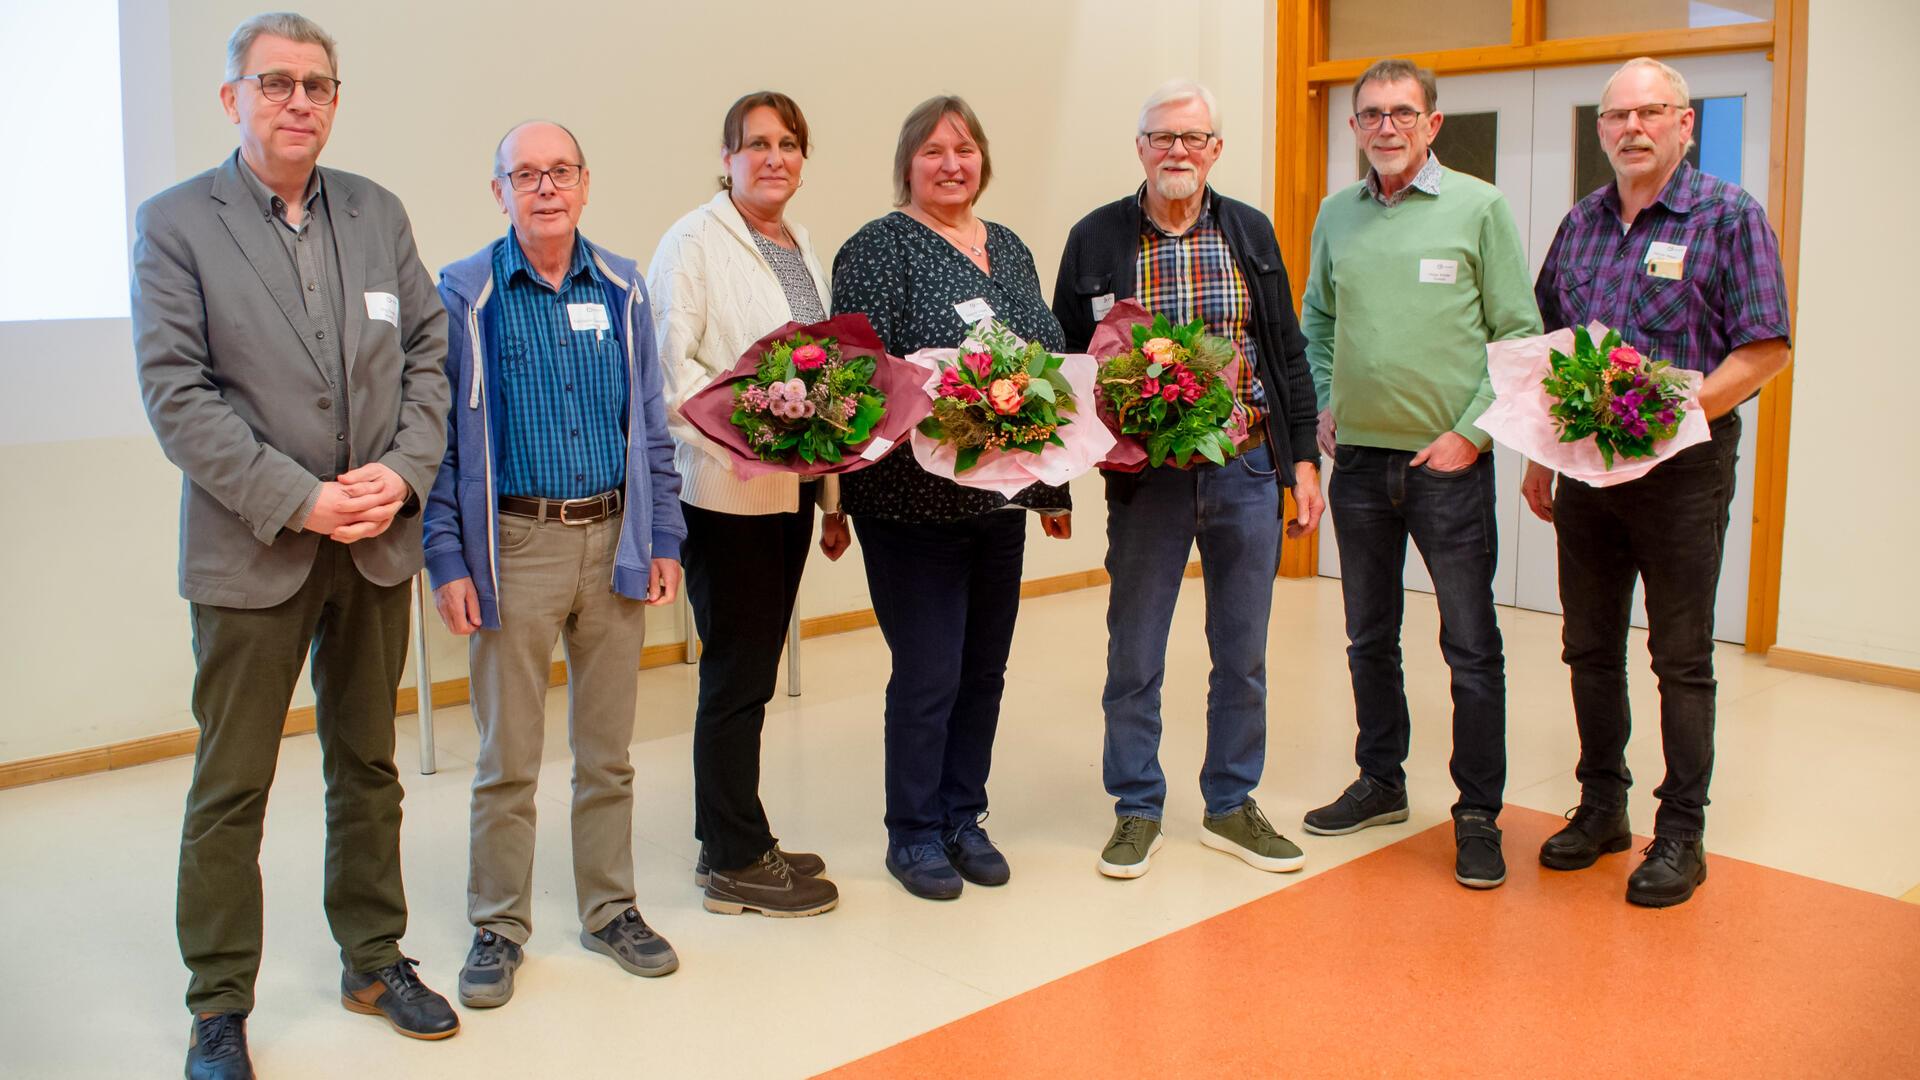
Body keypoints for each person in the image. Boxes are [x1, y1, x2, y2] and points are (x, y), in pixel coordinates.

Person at [132, 13, 455, 1078]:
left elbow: (427, 359)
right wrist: (300, 498)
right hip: (253, 551)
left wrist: (401, 475)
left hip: (372, 545)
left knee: (367, 768)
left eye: (318, 84)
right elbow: (178, 396)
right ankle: (219, 1002)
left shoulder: (377, 212)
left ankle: (374, 959)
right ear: (233, 99)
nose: (300, 100)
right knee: (232, 786)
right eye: (276, 83)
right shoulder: (177, 223)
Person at [423, 120, 687, 1007]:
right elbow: (438, 446)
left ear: (584, 183)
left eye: (560, 171)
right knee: (508, 758)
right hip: (514, 546)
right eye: (524, 174)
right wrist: (449, 559)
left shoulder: (621, 286)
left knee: (608, 754)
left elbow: (650, 424)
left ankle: (612, 909)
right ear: (497, 191)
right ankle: (498, 926)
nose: (544, 187)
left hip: (613, 537)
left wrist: (663, 539)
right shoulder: (464, 292)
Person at [1525, 57, 1791, 908]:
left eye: (1651, 113)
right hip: (1586, 473)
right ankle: (1603, 806)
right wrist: (1539, 454)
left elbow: (1764, 348)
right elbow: (1550, 345)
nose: (1632, 129)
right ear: (1600, 130)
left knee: (1679, 658)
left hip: (1684, 471)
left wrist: (1669, 422)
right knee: (1588, 645)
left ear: (1684, 123)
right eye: (1616, 117)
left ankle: (1680, 832)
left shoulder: (1728, 216)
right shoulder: (1583, 223)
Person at [1053, 80, 1324, 880]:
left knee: (1241, 651)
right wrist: (1058, 481)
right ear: (1140, 147)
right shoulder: (1097, 238)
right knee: (1134, 649)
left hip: (1243, 467)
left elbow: (1287, 352)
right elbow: (1066, 366)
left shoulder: (1249, 232)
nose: (1178, 151)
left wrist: (1301, 461)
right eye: (1162, 137)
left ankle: (1231, 802)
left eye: (1193, 138)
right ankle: (1137, 806)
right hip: (1148, 479)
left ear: (1215, 150)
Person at [1299, 58, 1542, 890]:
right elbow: (1317, 323)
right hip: (1358, 465)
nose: (1387, 127)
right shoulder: (1337, 213)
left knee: (1471, 646)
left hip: (1449, 465)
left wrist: (1471, 436)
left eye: (1404, 112)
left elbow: (1518, 337)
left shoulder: (1479, 207)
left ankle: (1477, 814)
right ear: (1355, 127)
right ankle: (1382, 781)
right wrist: (1326, 400)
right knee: (1369, 637)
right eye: (1371, 114)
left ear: (1433, 123)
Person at [831, 95, 1072, 900]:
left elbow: (1046, 366)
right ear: (908, 162)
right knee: (929, 672)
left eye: (964, 149)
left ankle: (965, 815)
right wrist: (955, 397)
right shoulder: (878, 247)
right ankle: (914, 833)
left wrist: (1049, 486)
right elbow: (864, 375)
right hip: (910, 503)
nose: (951, 163)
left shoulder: (1007, 246)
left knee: (983, 672)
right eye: (934, 150)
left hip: (996, 504)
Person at [649, 91, 844, 919]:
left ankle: (739, 834)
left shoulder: (802, 244)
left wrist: (831, 495)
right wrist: (753, 430)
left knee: (754, 670)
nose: (774, 158)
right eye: (756, 144)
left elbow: (830, 375)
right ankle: (731, 858)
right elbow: (668, 369)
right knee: (735, 674)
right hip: (727, 495)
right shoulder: (693, 240)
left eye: (789, 144)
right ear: (727, 158)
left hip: (792, 495)